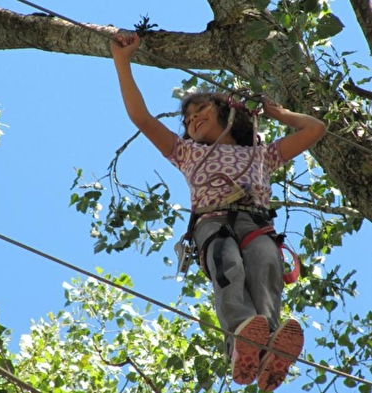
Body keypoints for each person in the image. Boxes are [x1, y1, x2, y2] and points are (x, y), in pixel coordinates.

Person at [111, 32, 326, 391]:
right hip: (214, 222)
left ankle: (268, 347)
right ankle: (241, 339)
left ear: (226, 113)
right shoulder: (187, 152)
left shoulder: (261, 154)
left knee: (267, 268)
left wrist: (278, 113)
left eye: (201, 111)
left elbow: (314, 129)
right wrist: (123, 62)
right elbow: (142, 119)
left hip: (257, 223)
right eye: (188, 119)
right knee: (229, 267)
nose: (192, 120)